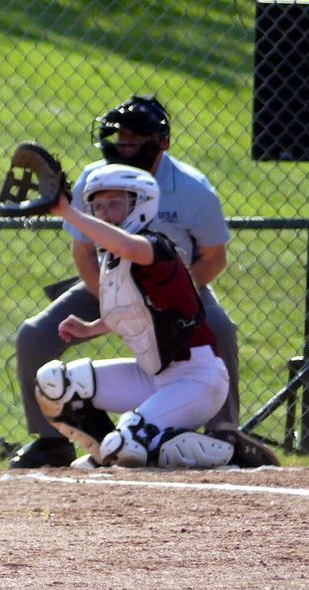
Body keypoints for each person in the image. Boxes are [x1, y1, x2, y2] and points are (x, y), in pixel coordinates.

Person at [10, 94, 254, 468]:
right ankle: (53, 441)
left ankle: (223, 431)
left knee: (218, 326)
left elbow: (213, 258)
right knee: (35, 335)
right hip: (106, 282)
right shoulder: (96, 178)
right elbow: (84, 252)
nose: (126, 145)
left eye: (137, 138)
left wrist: (167, 295)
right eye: (120, 137)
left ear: (161, 142)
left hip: (176, 284)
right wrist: (113, 304)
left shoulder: (192, 189)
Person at [35, 163, 273, 468]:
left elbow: (126, 244)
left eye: (115, 203)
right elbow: (133, 311)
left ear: (141, 204)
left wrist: (68, 212)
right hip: (154, 375)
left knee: (129, 445)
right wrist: (91, 329)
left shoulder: (154, 247)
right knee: (56, 385)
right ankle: (108, 453)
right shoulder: (114, 261)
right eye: (98, 206)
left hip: (197, 379)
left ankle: (229, 450)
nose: (105, 213)